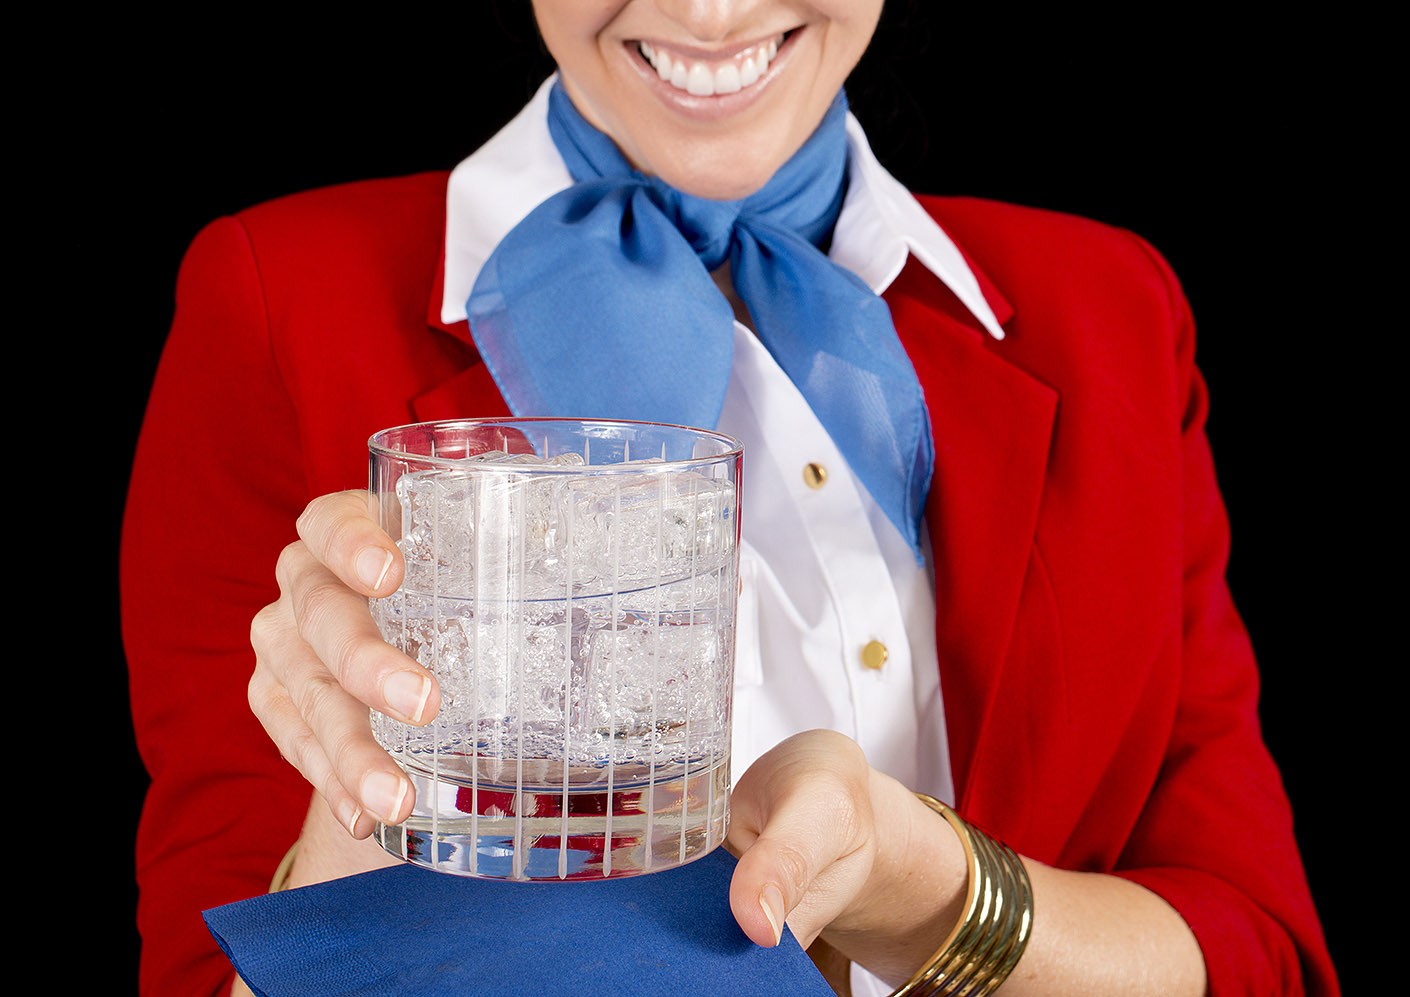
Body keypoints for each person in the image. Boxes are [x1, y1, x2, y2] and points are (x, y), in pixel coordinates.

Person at [122, 2, 1338, 995]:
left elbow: (1253, 949)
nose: (708, 10)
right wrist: (361, 814)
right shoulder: (276, 303)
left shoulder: (1113, 312)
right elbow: (202, 969)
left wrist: (921, 888)